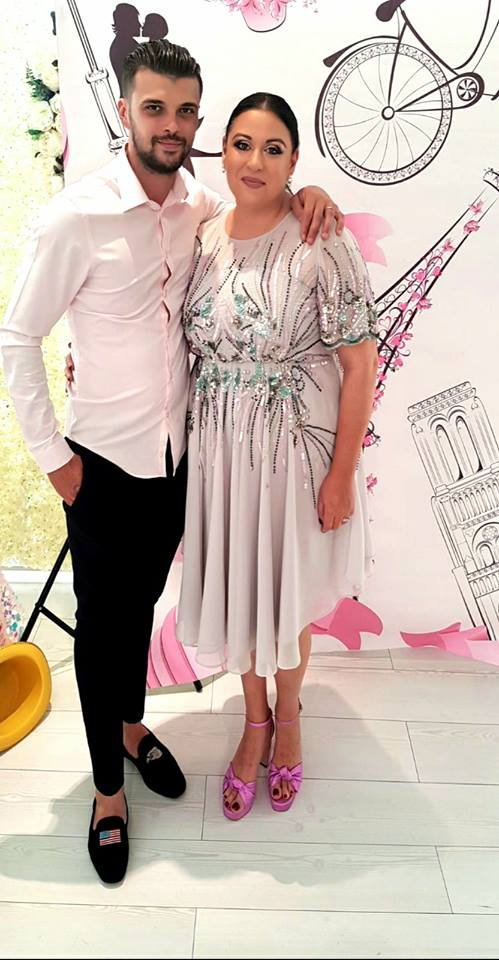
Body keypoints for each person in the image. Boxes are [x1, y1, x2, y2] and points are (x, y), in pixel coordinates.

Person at [1, 39, 344, 883]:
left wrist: (309, 194)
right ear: (124, 111)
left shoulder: (200, 206)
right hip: (100, 466)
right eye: (154, 108)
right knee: (101, 629)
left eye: (186, 111)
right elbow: (17, 338)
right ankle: (107, 794)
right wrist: (53, 460)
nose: (172, 125)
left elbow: (260, 211)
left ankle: (129, 726)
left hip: (182, 462)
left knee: (139, 611)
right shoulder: (77, 218)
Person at [176, 92, 379, 819]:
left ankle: (287, 721)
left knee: (282, 595)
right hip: (218, 456)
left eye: (272, 148)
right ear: (221, 152)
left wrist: (341, 474)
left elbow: (360, 364)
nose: (254, 161)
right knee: (241, 590)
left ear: (294, 161)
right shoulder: (202, 234)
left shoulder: (320, 238)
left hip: (291, 453)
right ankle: (253, 721)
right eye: (241, 143)